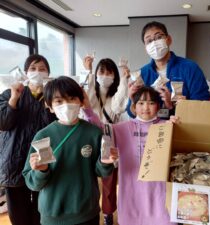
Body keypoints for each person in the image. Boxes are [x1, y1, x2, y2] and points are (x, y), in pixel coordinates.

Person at [22, 76, 117, 225]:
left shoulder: (93, 133)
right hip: (53, 215)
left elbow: (102, 172)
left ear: (81, 101)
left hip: (87, 213)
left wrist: (105, 163)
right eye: (59, 101)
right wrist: (40, 171)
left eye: (72, 98)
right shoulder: (43, 136)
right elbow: (32, 183)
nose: (66, 105)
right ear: (50, 106)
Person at [85, 86, 177, 225]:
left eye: (151, 103)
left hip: (159, 191)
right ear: (133, 107)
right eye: (140, 103)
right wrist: (87, 109)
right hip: (131, 190)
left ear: (158, 106)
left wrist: (178, 121)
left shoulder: (167, 126)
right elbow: (98, 127)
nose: (146, 107)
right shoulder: (121, 128)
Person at [0, 54, 56, 225]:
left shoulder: (52, 96)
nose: (37, 72)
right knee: (18, 214)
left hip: (42, 159)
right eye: (33, 68)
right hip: (14, 161)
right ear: (25, 72)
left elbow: (56, 129)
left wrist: (50, 108)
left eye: (42, 69)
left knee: (42, 209)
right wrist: (14, 99)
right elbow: (3, 123)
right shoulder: (9, 93)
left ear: (48, 73)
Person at [126, 21, 210, 118]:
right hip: (151, 130)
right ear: (146, 47)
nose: (154, 43)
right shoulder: (142, 74)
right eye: (149, 41)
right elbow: (131, 114)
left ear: (168, 39)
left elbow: (204, 105)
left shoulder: (190, 68)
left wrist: (175, 105)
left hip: (183, 129)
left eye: (159, 37)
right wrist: (132, 100)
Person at [83, 56, 129, 225]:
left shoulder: (116, 94)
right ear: (96, 74)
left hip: (109, 139)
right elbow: (87, 102)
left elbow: (119, 106)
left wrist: (124, 79)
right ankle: (89, 210)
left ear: (114, 76)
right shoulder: (92, 92)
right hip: (88, 137)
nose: (105, 75)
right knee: (87, 178)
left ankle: (108, 213)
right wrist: (88, 71)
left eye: (109, 72)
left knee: (109, 180)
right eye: (101, 71)